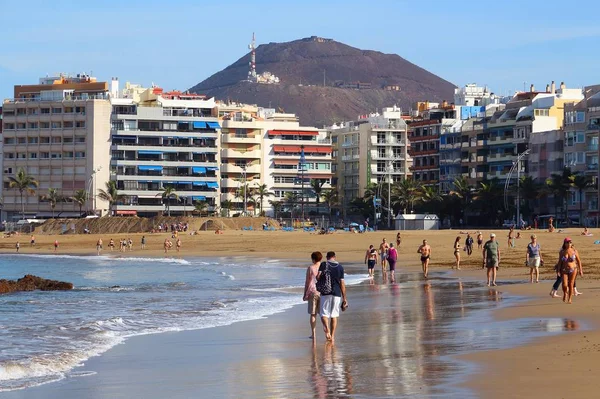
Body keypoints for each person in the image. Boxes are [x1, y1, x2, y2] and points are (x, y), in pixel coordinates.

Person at [317, 251, 347, 343]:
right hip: (337, 293)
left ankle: (327, 331)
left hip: (325, 292)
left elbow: (318, 277)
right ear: (334, 257)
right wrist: (344, 298)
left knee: (324, 314)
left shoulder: (323, 264)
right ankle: (332, 335)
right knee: (334, 315)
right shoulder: (340, 267)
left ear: (327, 257)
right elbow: (342, 283)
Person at [303, 251, 323, 340]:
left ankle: (313, 333)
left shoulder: (311, 268)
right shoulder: (324, 267)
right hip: (323, 292)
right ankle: (327, 331)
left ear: (313, 259)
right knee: (323, 314)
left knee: (313, 314)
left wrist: (305, 293)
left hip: (313, 291)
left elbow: (307, 282)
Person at [558, 238, 583, 304]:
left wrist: (581, 270)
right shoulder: (562, 252)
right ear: (565, 243)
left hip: (573, 269)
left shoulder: (574, 251)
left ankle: (569, 298)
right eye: (567, 243)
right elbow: (560, 262)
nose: (569, 244)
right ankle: (565, 293)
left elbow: (579, 261)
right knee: (564, 285)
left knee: (571, 284)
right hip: (564, 270)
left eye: (570, 243)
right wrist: (558, 270)